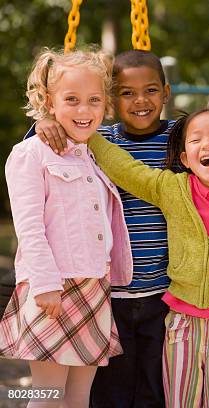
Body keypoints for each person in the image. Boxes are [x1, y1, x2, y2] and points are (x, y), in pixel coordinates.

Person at [86, 106, 209, 407]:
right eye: (195, 140)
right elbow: (126, 168)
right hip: (180, 322)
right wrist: (88, 134)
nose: (206, 145)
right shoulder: (172, 188)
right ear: (184, 159)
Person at [29, 50, 174, 408]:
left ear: (166, 93)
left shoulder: (179, 140)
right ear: (112, 100)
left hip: (160, 292)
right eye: (126, 92)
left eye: (151, 91)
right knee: (92, 392)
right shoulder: (98, 140)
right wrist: (41, 124)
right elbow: (50, 147)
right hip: (103, 294)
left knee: (152, 389)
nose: (140, 101)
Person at [0, 48, 133, 407]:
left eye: (93, 100)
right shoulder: (30, 154)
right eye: (71, 100)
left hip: (94, 288)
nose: (83, 110)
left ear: (105, 104)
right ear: (48, 102)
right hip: (52, 290)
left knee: (78, 398)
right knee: (47, 396)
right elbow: (28, 227)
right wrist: (45, 284)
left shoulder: (94, 155)